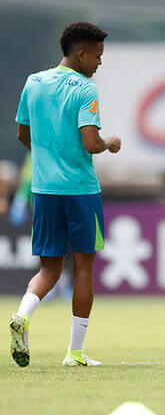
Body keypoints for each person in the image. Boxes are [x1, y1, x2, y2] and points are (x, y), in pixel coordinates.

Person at [9, 21, 121, 367]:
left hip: (43, 190)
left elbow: (22, 134)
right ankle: (74, 353)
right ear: (81, 53)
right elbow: (91, 141)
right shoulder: (85, 89)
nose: (99, 63)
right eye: (97, 56)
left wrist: (45, 157)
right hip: (81, 191)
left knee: (49, 269)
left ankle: (23, 315)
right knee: (83, 269)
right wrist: (110, 143)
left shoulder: (34, 83)